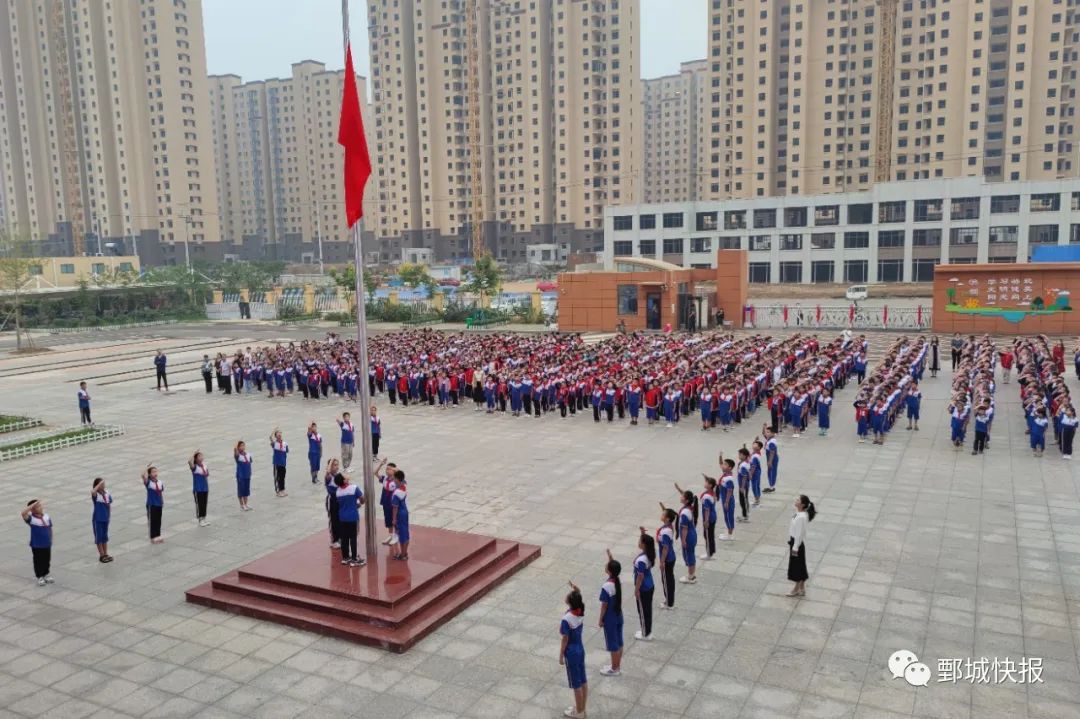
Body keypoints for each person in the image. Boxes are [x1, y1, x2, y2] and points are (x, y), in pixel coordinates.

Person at [559, 583, 588, 719]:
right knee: (583, 680)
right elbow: (578, 596)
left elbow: (565, 639)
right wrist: (575, 588)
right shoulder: (580, 610)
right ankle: (582, 708)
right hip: (580, 648)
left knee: (576, 684)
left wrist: (560, 655)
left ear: (570, 602)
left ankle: (579, 712)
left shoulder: (567, 619)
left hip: (571, 652)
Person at [598, 549, 624, 676]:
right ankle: (617, 664)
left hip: (610, 618)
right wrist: (610, 557)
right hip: (618, 615)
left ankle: (614, 668)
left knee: (613, 644)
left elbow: (604, 605)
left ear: (609, 570)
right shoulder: (616, 581)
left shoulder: (606, 586)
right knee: (619, 641)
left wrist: (600, 619)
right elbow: (614, 566)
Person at [787, 494, 815, 597]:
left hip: (797, 543)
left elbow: (799, 534)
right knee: (801, 565)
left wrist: (795, 547)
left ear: (802, 504)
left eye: (798, 500)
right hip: (795, 542)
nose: (796, 500)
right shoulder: (800, 514)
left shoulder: (801, 517)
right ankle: (802, 588)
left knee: (796, 567)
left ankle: (796, 588)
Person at [334, 473, 366, 566]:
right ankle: (355, 558)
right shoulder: (354, 488)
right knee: (353, 537)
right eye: (344, 476)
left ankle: (345, 558)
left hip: (342, 518)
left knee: (344, 538)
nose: (346, 475)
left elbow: (341, 504)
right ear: (344, 480)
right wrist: (358, 504)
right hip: (352, 517)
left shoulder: (338, 492)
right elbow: (362, 500)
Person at [21, 499, 53, 585]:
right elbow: (23, 513)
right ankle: (40, 576)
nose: (40, 507)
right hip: (37, 544)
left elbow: (50, 528)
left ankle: (46, 574)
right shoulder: (31, 519)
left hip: (46, 543)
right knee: (38, 560)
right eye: (37, 506)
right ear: (32, 510)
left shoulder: (46, 516)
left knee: (47, 559)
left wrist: (50, 539)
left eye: (40, 505)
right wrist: (33, 504)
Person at [632, 531, 655, 641]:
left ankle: (645, 633)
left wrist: (636, 589)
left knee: (642, 610)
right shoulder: (649, 554)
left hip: (643, 588)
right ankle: (647, 630)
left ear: (644, 544)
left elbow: (640, 576)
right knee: (647, 609)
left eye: (640, 541)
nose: (638, 542)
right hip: (650, 584)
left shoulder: (641, 560)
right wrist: (642, 533)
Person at [655, 508, 677, 610]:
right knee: (669, 579)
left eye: (663, 514)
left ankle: (669, 603)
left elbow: (665, 548)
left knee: (667, 581)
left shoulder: (665, 532)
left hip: (667, 559)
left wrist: (662, 561)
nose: (661, 515)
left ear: (667, 519)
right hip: (670, 557)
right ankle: (669, 599)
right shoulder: (668, 526)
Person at [91, 478, 113, 563]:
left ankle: (106, 554)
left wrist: (109, 516)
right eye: (101, 484)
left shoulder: (107, 493)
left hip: (105, 519)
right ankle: (101, 555)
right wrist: (98, 485)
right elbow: (93, 491)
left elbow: (109, 505)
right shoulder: (96, 495)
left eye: (103, 484)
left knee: (104, 537)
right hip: (98, 519)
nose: (103, 485)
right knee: (99, 537)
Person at [141, 465, 164, 543]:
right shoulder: (148, 483)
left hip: (159, 504)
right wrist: (147, 468)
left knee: (158, 520)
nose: (155, 473)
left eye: (156, 471)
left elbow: (160, 493)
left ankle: (158, 535)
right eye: (153, 472)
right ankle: (152, 537)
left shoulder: (160, 482)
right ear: (150, 474)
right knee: (152, 521)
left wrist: (162, 501)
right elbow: (142, 475)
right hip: (151, 504)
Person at [390, 469, 409, 560]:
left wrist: (394, 519)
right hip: (405, 512)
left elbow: (395, 508)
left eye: (394, 479)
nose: (393, 480)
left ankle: (403, 554)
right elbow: (401, 477)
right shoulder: (404, 486)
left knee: (402, 535)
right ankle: (405, 552)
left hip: (400, 514)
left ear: (398, 479)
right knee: (405, 532)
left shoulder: (397, 493)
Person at [188, 451, 210, 527]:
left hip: (205, 488)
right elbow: (189, 461)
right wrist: (194, 454)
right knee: (199, 504)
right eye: (199, 456)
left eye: (202, 456)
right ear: (196, 459)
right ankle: (200, 520)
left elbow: (206, 475)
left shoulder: (204, 465)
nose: (201, 457)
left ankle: (204, 518)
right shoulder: (195, 467)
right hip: (198, 489)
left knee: (204, 503)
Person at [324, 458, 342, 548]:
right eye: (334, 465)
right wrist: (330, 462)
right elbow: (327, 472)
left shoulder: (338, 475)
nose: (336, 467)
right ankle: (334, 540)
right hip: (331, 501)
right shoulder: (329, 477)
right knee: (333, 520)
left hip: (339, 500)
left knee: (339, 519)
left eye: (337, 465)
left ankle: (339, 537)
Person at [234, 441, 253, 511]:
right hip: (241, 475)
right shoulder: (238, 456)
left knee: (246, 490)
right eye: (241, 446)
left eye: (243, 445)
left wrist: (250, 472)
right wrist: (236, 449)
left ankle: (246, 504)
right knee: (241, 490)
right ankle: (241, 505)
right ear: (238, 447)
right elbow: (236, 454)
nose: (243, 447)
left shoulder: (248, 454)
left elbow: (250, 462)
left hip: (247, 474)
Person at [270, 429, 289, 497]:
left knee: (282, 477)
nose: (279, 434)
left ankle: (282, 489)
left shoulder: (285, 443)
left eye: (280, 433)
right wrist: (273, 431)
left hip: (283, 463)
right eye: (278, 433)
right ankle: (278, 491)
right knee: (277, 477)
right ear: (276, 436)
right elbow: (270, 438)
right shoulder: (275, 444)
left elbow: (287, 451)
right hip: (277, 463)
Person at [763, 427, 779, 493]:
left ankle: (772, 487)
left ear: (772, 433)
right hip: (769, 458)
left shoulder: (772, 442)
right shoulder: (769, 438)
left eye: (768, 432)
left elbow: (772, 452)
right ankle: (770, 485)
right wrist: (764, 427)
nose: (766, 433)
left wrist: (770, 461)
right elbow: (764, 434)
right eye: (766, 432)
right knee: (769, 472)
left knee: (772, 472)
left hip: (772, 459)